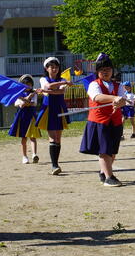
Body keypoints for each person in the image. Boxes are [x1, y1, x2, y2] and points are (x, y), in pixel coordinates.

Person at [79, 54, 128, 187]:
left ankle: (103, 172)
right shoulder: (94, 84)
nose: (105, 72)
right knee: (104, 150)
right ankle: (109, 177)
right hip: (100, 122)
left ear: (112, 70)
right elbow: (97, 97)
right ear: (97, 71)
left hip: (115, 122)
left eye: (108, 69)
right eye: (102, 70)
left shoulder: (119, 86)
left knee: (112, 151)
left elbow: (123, 100)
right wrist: (114, 99)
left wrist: (120, 103)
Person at [35, 57, 71, 175]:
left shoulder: (62, 79)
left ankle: (56, 163)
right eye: (52, 67)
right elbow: (48, 86)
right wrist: (62, 83)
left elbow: (61, 91)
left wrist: (47, 91)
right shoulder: (43, 79)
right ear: (46, 69)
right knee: (53, 137)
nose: (54, 69)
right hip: (49, 109)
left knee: (58, 138)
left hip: (59, 108)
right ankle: (54, 165)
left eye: (56, 67)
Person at [8, 75, 41, 164]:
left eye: (29, 84)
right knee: (23, 138)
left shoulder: (34, 93)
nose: (27, 86)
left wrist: (26, 100)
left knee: (33, 137)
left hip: (31, 117)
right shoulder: (18, 94)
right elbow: (21, 105)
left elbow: (34, 104)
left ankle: (34, 154)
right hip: (22, 118)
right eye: (25, 84)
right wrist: (28, 98)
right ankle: (24, 156)